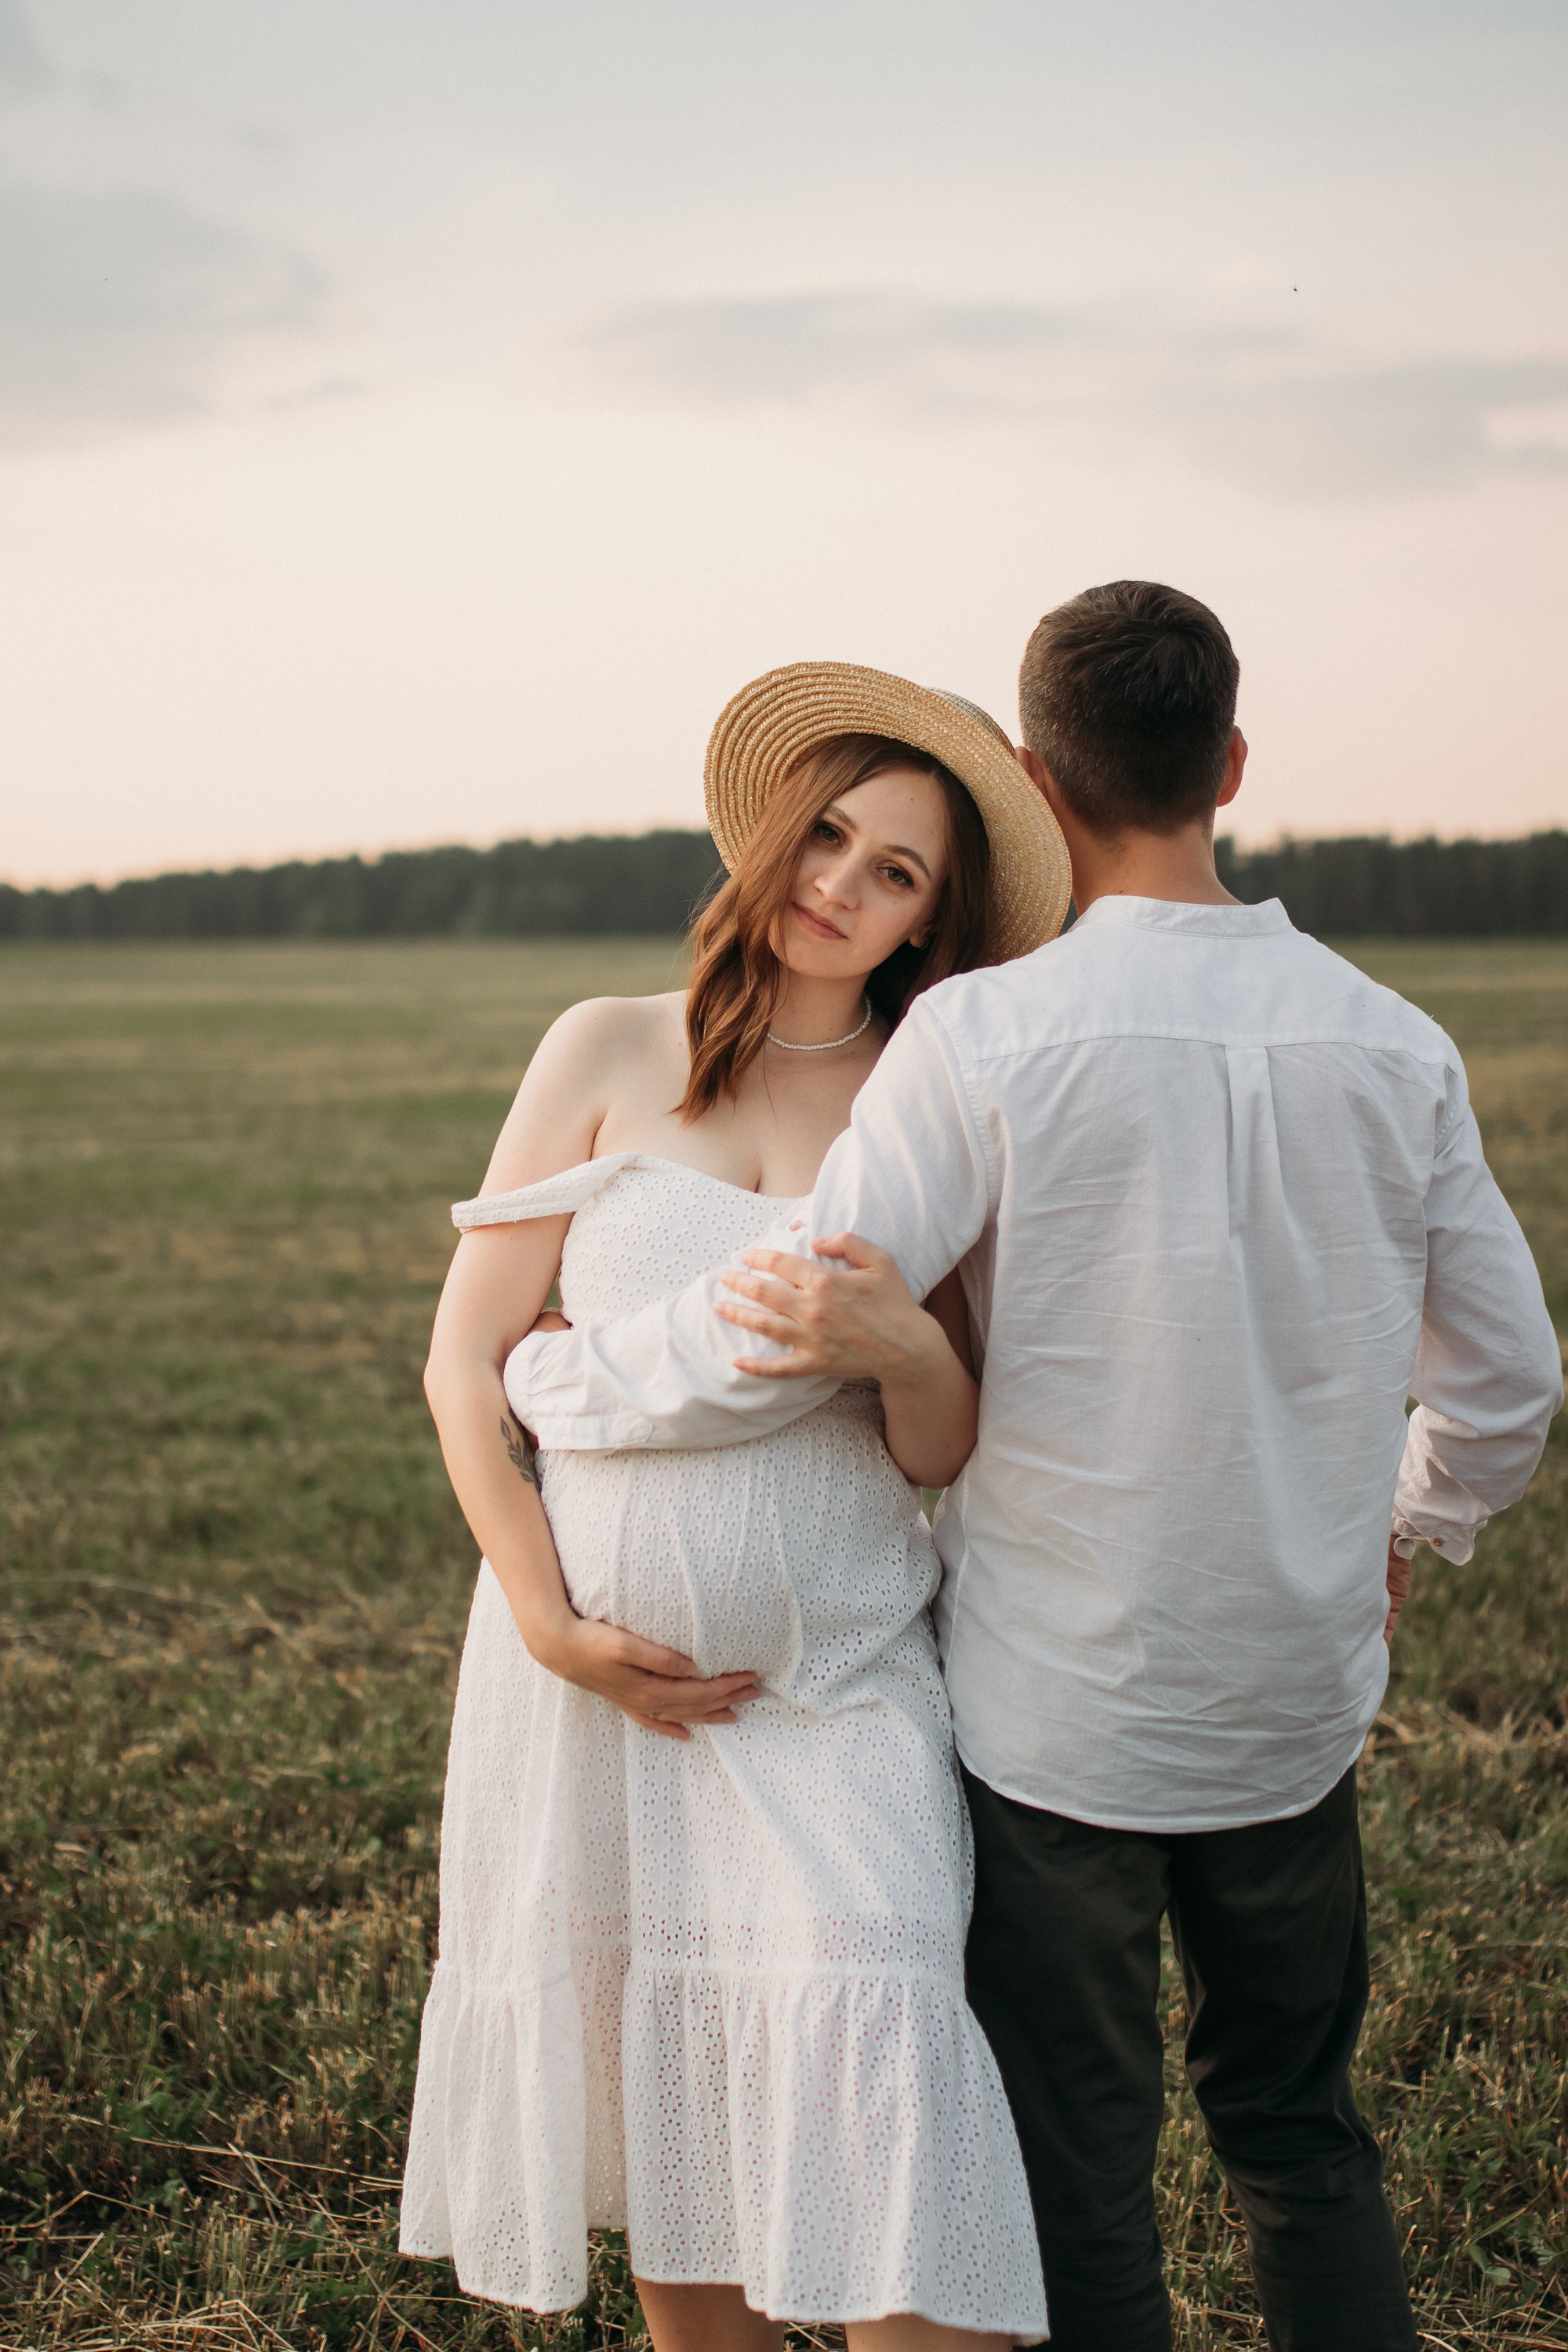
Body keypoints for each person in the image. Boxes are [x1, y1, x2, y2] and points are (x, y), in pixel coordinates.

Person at [504, 583, 1564, 2352]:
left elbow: (794, 1318)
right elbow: (1511, 1386)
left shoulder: (981, 1042)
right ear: (1228, 763)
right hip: (1294, 1713)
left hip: (1052, 1716)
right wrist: (1414, 1521)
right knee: (1300, 2137)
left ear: (1031, 781)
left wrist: (557, 1372)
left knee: (1079, 2161)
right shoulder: (1395, 1043)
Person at [400, 662, 1076, 2350]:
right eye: (828, 837)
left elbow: (940, 1442)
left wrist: (906, 1344)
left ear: (932, 920)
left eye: (896, 871)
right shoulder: (607, 1048)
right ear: (773, 834)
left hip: (831, 1689)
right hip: (601, 1704)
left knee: (882, 2037)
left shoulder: (934, 1095)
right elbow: (462, 1364)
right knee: (672, 2088)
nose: (840, 886)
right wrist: (556, 1627)